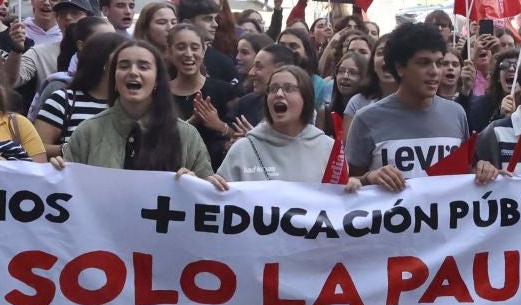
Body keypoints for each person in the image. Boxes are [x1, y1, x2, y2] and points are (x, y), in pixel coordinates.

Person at [62, 39, 219, 184]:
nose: (133, 72)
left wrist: (198, 183)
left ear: (157, 79)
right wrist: (58, 173)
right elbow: (69, 192)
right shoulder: (87, 132)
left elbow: (207, 197)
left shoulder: (187, 136)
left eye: (143, 67)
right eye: (124, 66)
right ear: (114, 79)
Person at [344, 23, 471, 191]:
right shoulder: (366, 119)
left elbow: (467, 172)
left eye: (439, 63)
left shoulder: (456, 113)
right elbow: (346, 182)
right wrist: (368, 178)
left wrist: (485, 169)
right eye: (423, 63)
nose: (434, 71)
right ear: (400, 67)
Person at [218, 61, 333, 182]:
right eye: (272, 89)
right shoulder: (243, 149)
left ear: (306, 97)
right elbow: (219, 195)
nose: (279, 94)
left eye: (288, 88)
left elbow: (339, 195)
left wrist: (351, 186)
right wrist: (215, 184)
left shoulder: (329, 149)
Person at [34, 30, 127, 161]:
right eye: (123, 59)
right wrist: (70, 148)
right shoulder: (63, 100)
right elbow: (35, 147)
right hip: (74, 177)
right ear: (103, 61)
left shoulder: (130, 103)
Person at [166, 23, 236, 164]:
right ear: (169, 52)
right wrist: (191, 122)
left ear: (203, 51)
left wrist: (220, 125)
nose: (188, 53)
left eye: (194, 47)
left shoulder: (225, 91)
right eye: (181, 47)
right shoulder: (159, 93)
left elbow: (244, 138)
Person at [469, 45, 521, 132]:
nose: (512, 69)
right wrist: (500, 118)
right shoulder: (482, 105)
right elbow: (480, 140)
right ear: (498, 77)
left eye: (517, 65)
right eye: (505, 65)